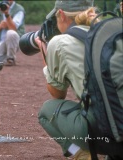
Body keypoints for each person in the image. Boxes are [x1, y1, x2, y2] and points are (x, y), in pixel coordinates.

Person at [35, 0, 123, 159]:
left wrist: (46, 56)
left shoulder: (60, 42)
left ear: (61, 15)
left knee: (47, 111)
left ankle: (82, 155)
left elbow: (57, 94)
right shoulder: (112, 32)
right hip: (119, 120)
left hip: (107, 132)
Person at [0, 0, 25, 66]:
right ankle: (5, 59)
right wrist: (0, 26)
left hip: (15, 41)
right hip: (0, 41)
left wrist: (7, 14)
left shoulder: (19, 9)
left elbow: (13, 29)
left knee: (11, 33)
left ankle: (10, 59)